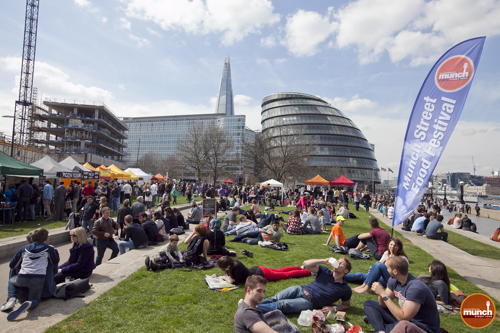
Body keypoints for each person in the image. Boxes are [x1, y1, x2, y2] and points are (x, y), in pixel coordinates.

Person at [363, 256, 440, 333]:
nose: (386, 270)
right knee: (369, 304)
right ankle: (381, 330)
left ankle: (380, 323)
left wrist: (383, 294)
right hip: (406, 320)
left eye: (387, 268)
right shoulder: (393, 280)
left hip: (421, 327)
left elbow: (403, 317)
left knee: (403, 325)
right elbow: (383, 304)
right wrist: (380, 293)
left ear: (395, 271)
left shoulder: (415, 288)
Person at [256, 257, 352, 314]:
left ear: (346, 270)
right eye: (337, 261)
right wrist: (323, 260)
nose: (337, 264)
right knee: (275, 298)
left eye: (341, 264)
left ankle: (252, 308)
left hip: (309, 301)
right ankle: (252, 304)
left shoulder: (345, 288)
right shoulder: (325, 271)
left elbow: (346, 305)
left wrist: (334, 308)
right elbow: (306, 264)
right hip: (300, 289)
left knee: (282, 305)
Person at [1, 228, 59, 321]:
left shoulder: (23, 249)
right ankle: (30, 303)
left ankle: (11, 299)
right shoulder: (49, 249)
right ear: (45, 238)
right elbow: (55, 261)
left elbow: (12, 265)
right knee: (36, 299)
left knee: (12, 281)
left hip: (23, 277)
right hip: (39, 279)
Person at [217, 256, 310, 285]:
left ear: (228, 265)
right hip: (259, 269)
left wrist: (226, 278)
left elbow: (235, 281)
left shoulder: (236, 267)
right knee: (280, 270)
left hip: (262, 274)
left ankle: (308, 272)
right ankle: (301, 267)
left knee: (285, 275)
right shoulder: (234, 263)